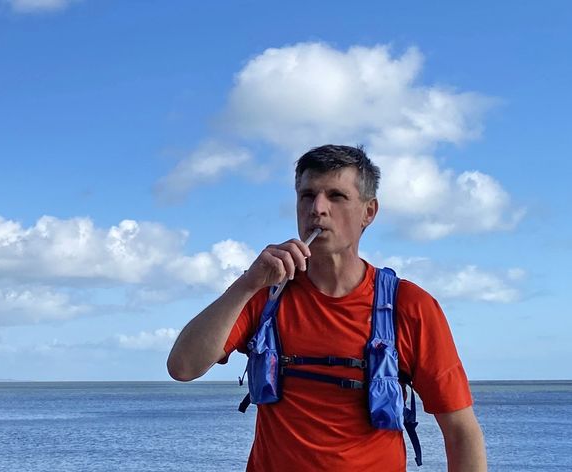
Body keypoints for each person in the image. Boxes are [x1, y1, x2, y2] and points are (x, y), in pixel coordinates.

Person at [167, 145, 487, 471]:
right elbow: (183, 367)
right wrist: (247, 283)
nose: (317, 209)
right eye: (307, 196)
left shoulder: (409, 306)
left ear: (369, 212)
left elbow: (461, 431)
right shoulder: (265, 294)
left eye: (336, 196)